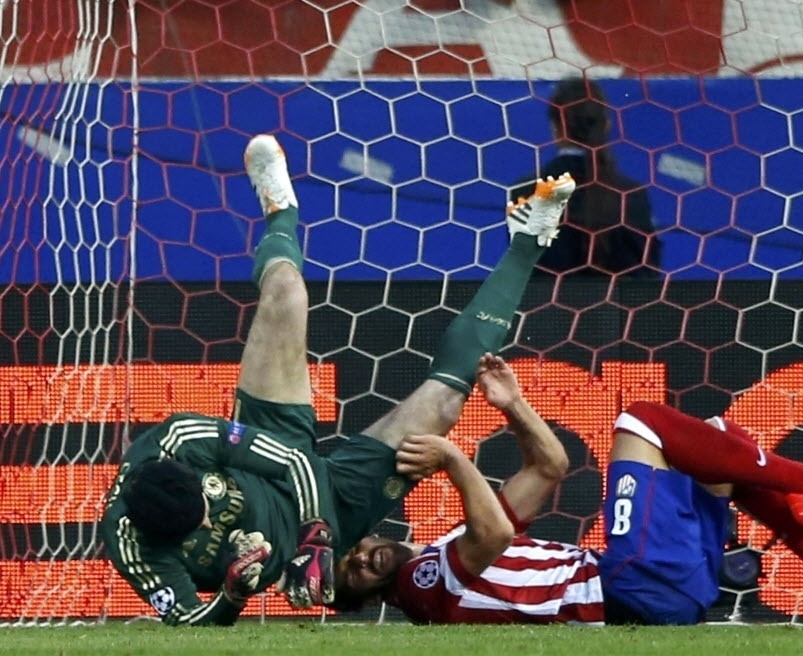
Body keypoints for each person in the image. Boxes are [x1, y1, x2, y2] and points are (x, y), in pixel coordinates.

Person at [98, 133, 576, 626]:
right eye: (194, 528)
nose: (208, 520)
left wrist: (313, 538)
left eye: (205, 505)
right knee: (444, 406)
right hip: (340, 513)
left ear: (187, 474)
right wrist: (234, 594)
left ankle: (280, 211)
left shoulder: (177, 440)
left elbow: (291, 463)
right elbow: (187, 624)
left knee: (286, 294)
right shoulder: (131, 546)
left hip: (272, 460)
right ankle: (527, 242)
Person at [329, 397, 803, 624]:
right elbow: (488, 533)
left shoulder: (440, 550)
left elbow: (549, 469)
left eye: (350, 549)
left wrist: (512, 407)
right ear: (363, 597)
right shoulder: (416, 585)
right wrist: (455, 459)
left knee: (721, 441)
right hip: (631, 583)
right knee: (642, 421)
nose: (361, 557)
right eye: (351, 573)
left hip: (674, 589)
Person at [511, 77, 661, 279]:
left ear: (556, 127)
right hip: (615, 309)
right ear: (606, 125)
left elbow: (522, 274)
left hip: (548, 310)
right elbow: (645, 276)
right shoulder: (631, 194)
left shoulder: (527, 191)